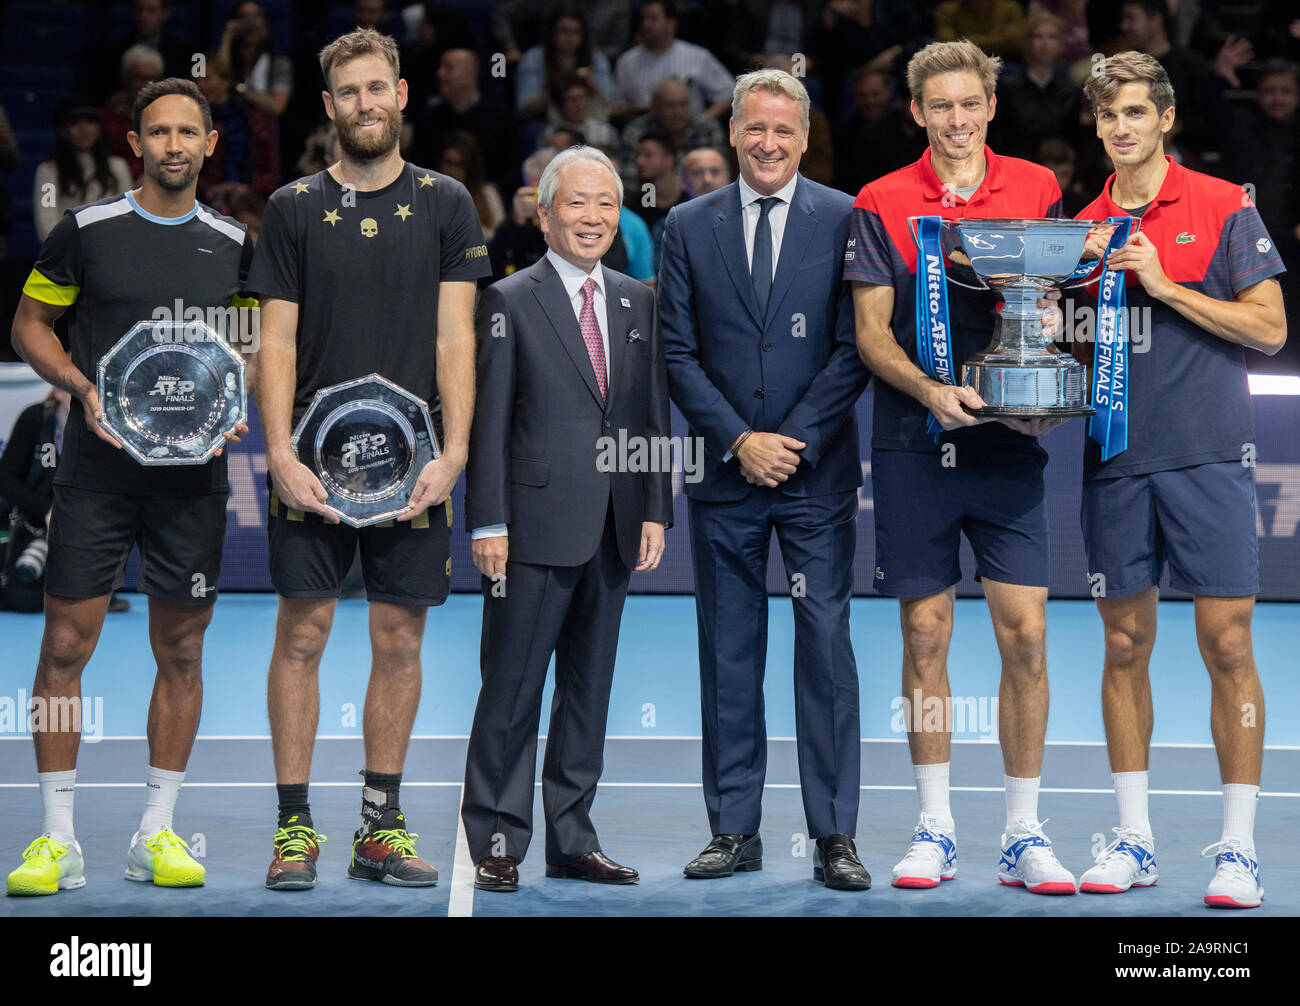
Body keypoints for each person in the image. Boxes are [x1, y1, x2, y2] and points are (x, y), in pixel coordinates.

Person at [247, 27, 492, 891]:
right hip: (309, 470)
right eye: (348, 92)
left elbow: (456, 335)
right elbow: (273, 344)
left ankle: (379, 829)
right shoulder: (291, 209)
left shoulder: (446, 203)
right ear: (328, 106)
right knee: (304, 634)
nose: (364, 104)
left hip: (415, 470)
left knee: (398, 639)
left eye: (376, 88)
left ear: (400, 94)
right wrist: (277, 451)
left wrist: (455, 453)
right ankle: (293, 830)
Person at [5, 78, 252, 897]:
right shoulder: (87, 232)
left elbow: (251, 349)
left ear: (210, 144)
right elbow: (29, 325)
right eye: (158, 133)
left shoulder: (234, 244)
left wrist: (239, 397)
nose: (174, 145)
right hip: (97, 477)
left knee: (181, 650)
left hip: (192, 482)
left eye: (189, 132)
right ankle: (58, 839)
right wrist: (79, 387)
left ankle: (156, 832)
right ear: (135, 144)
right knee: (63, 651)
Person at [847, 40, 1077, 894]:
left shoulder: (1037, 189)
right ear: (917, 113)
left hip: (1009, 441)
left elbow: (1047, 305)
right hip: (916, 442)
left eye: (969, 104)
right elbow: (872, 335)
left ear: (990, 107)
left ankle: (1023, 831)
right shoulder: (880, 200)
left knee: (1027, 632)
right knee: (925, 634)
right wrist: (930, 389)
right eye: (938, 106)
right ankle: (936, 826)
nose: (955, 119)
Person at [1071, 52, 1286, 909]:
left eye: (1133, 112)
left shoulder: (1225, 204)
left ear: (1165, 119)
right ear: (1095, 127)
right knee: (1124, 648)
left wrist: (1164, 282)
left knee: (1227, 646)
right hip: (1114, 462)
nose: (1119, 128)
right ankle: (1134, 839)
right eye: (1105, 116)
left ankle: (1238, 848)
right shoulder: (1078, 224)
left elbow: (1268, 329)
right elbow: (1067, 347)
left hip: (1208, 457)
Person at [659, 69, 871, 890]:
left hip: (814, 481)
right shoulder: (686, 223)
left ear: (805, 136)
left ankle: (835, 837)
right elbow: (678, 351)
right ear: (733, 132)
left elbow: (855, 344)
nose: (769, 144)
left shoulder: (846, 216)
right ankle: (733, 829)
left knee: (824, 651)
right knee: (730, 654)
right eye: (755, 129)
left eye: (784, 131)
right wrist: (740, 440)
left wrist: (793, 439)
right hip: (726, 478)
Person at [462, 146, 671, 892]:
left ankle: (572, 837)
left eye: (606, 205)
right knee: (512, 691)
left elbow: (648, 415)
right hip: (532, 530)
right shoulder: (509, 299)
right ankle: (495, 838)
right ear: (543, 216)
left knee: (588, 692)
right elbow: (489, 423)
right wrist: (487, 520)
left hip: (615, 526)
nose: (592, 218)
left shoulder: (638, 301)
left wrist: (655, 508)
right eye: (576, 204)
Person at [612, 0, 734, 120]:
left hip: (690, 132)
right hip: (643, 133)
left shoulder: (697, 56)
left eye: (653, 19)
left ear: (671, 23)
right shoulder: (626, 62)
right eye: (643, 19)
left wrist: (703, 121)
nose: (645, 25)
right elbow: (618, 105)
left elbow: (729, 93)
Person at [34, 96, 133, 242]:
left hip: (110, 255)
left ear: (99, 128)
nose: (84, 128)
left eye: (90, 121)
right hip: (65, 258)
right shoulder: (48, 171)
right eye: (74, 122)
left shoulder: (118, 167)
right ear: (63, 130)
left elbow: (128, 216)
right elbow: (46, 222)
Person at [515, 3, 614, 121]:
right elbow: (524, 106)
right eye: (563, 31)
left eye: (576, 31)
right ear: (552, 32)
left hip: (590, 119)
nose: (570, 37)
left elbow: (611, 106)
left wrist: (593, 85)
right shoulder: (534, 57)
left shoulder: (596, 58)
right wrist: (555, 92)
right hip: (546, 120)